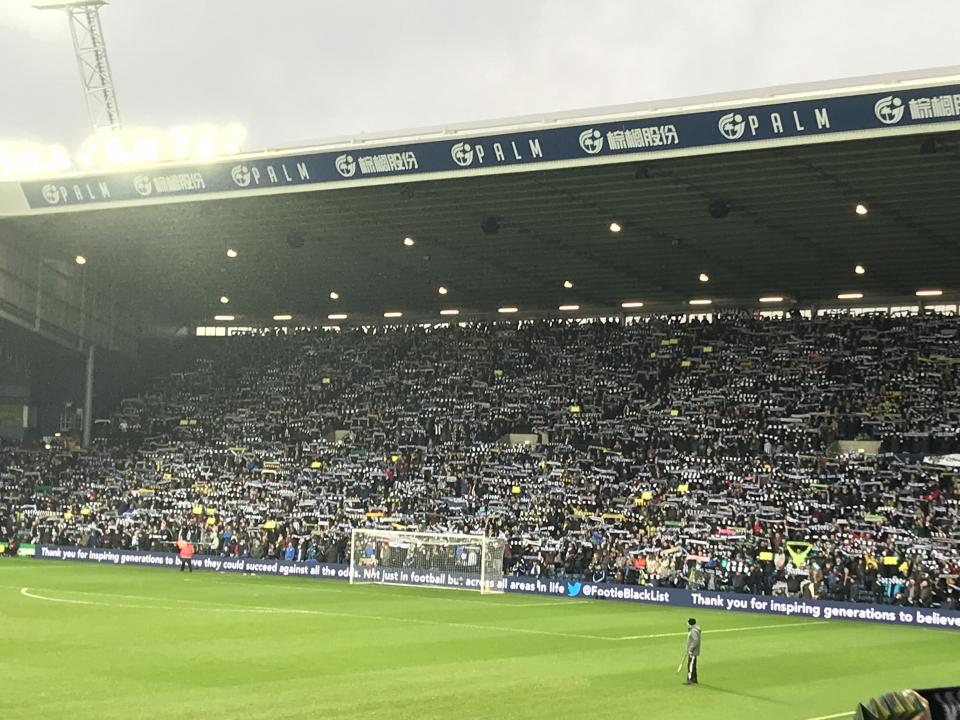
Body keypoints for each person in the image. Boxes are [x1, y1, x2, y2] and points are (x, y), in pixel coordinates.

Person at [685, 617, 701, 685]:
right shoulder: (693, 629)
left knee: (690, 665)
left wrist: (690, 650)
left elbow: (695, 640)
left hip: (693, 652)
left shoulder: (693, 631)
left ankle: (690, 679)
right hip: (692, 651)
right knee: (692, 665)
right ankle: (694, 679)